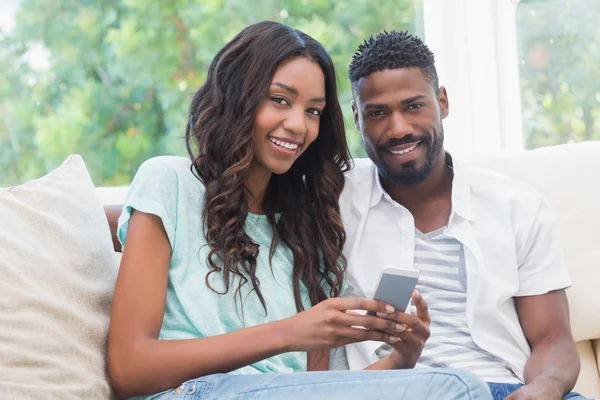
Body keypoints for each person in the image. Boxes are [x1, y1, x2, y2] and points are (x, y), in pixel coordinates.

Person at [106, 21, 491, 400]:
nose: (298, 125)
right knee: (460, 389)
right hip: (193, 392)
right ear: (238, 96)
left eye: (313, 111)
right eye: (280, 100)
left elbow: (322, 389)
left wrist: (401, 360)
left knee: (449, 384)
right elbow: (128, 368)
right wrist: (289, 332)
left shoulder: (307, 228)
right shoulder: (168, 183)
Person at [337, 30, 586, 400]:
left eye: (414, 106)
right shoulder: (333, 199)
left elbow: (552, 339)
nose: (398, 128)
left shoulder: (516, 206)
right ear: (357, 118)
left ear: (443, 102)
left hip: (506, 390)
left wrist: (543, 389)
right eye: (377, 113)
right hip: (395, 390)